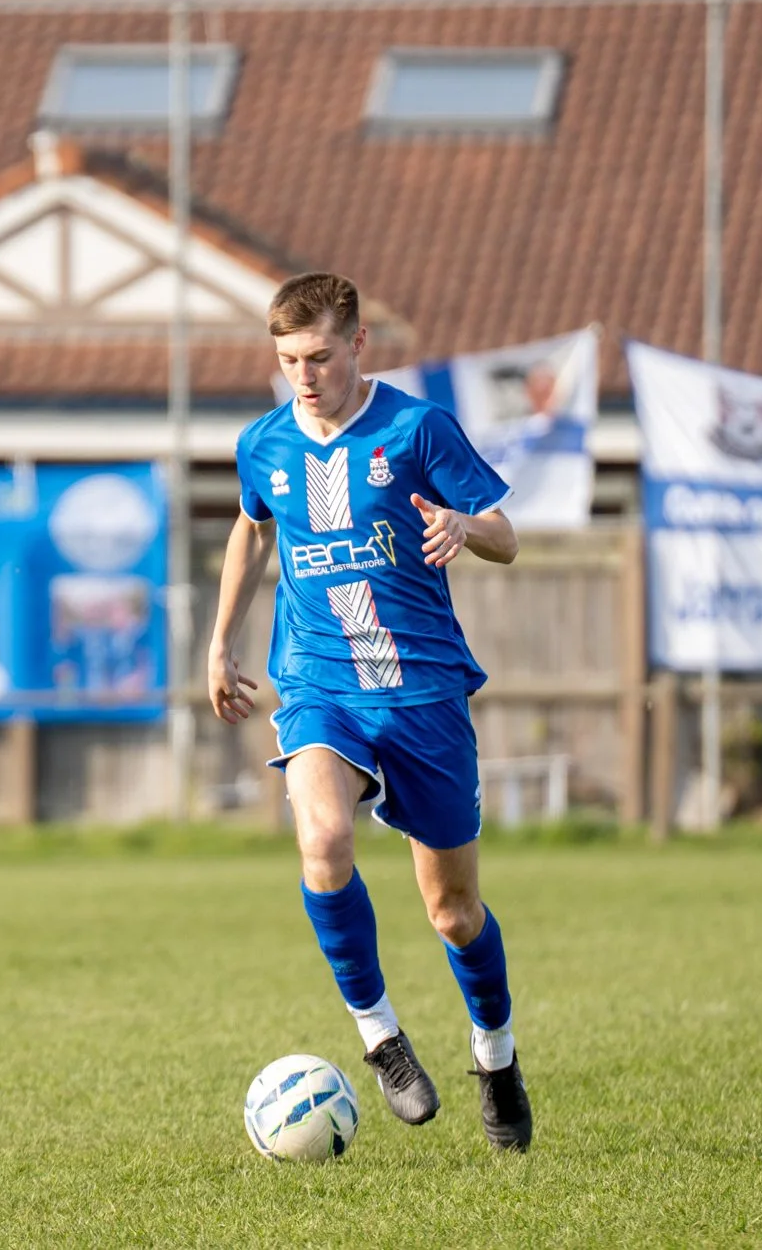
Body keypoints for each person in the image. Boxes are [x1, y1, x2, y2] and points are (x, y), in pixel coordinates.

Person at [208, 272, 534, 1152]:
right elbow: (251, 526)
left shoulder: (417, 429)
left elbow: (506, 533)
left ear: (358, 344)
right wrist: (220, 640)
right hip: (321, 684)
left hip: (422, 692)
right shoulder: (264, 444)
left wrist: (464, 528)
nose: (303, 376)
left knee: (453, 911)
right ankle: (381, 1037)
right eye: (288, 360)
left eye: (318, 356)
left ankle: (496, 1054)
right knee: (322, 839)